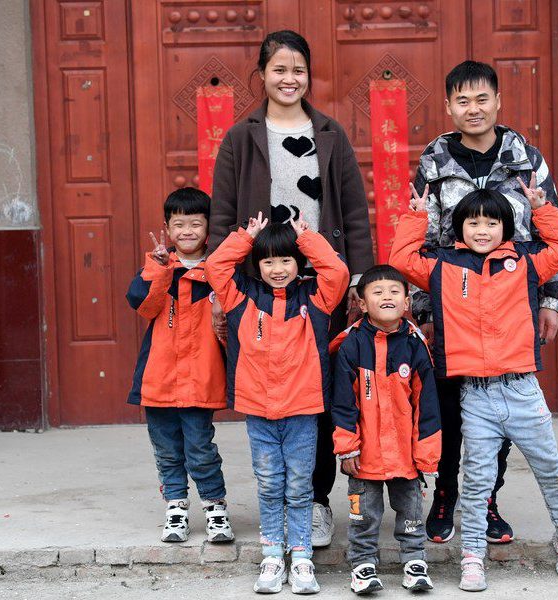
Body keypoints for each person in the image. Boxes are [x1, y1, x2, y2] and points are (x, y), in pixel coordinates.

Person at [208, 30, 374, 548]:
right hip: (259, 288)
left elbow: (354, 212)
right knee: (268, 396)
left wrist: (361, 278)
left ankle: (316, 501)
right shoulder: (241, 137)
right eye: (279, 69)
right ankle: (276, 506)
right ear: (261, 75)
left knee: (318, 394)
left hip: (319, 286)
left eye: (298, 69)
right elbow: (221, 218)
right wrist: (221, 289)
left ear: (309, 75)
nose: (289, 79)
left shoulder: (330, 132)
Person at [390, 179, 558, 591]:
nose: (482, 230)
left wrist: (542, 209)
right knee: (476, 479)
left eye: (491, 222)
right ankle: (473, 557)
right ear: (458, 228)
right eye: (472, 222)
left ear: (506, 228)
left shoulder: (526, 262)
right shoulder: (442, 266)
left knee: (550, 469)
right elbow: (401, 259)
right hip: (475, 394)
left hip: (523, 390)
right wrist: (416, 217)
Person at [411, 60, 558, 546]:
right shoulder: (434, 161)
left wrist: (551, 300)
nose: (473, 109)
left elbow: (550, 226)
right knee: (453, 409)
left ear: (498, 102)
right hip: (451, 302)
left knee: (499, 407)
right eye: (462, 100)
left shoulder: (526, 158)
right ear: (448, 107)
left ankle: (486, 499)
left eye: (482, 99)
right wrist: (424, 312)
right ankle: (445, 494)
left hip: (512, 302)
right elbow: (421, 236)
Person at [205, 212, 349, 594]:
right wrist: (245, 237)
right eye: (268, 261)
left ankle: (301, 558)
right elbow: (216, 266)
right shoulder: (241, 297)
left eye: (285, 260)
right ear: (257, 264)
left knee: (300, 486)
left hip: (302, 411)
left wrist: (308, 239)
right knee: (269, 485)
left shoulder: (314, 299)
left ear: (298, 262)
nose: (277, 268)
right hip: (259, 411)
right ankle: (272, 554)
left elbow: (337, 273)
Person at [126, 187, 233, 545]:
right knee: (167, 450)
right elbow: (142, 305)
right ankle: (176, 507)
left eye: (195, 224)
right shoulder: (159, 267)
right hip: (158, 380)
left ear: (208, 228)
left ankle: (215, 509)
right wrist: (157, 269)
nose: (187, 232)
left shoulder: (218, 271)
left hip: (200, 379)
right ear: (168, 230)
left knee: (201, 449)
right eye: (179, 225)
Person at [331, 265, 441, 594]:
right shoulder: (351, 345)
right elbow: (342, 403)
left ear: (407, 301)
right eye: (377, 292)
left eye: (394, 291)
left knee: (410, 509)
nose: (387, 297)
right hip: (363, 454)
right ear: (362, 304)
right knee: (362, 512)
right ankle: (363, 564)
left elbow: (428, 406)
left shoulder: (414, 345)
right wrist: (346, 446)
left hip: (406, 454)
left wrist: (427, 453)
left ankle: (414, 559)